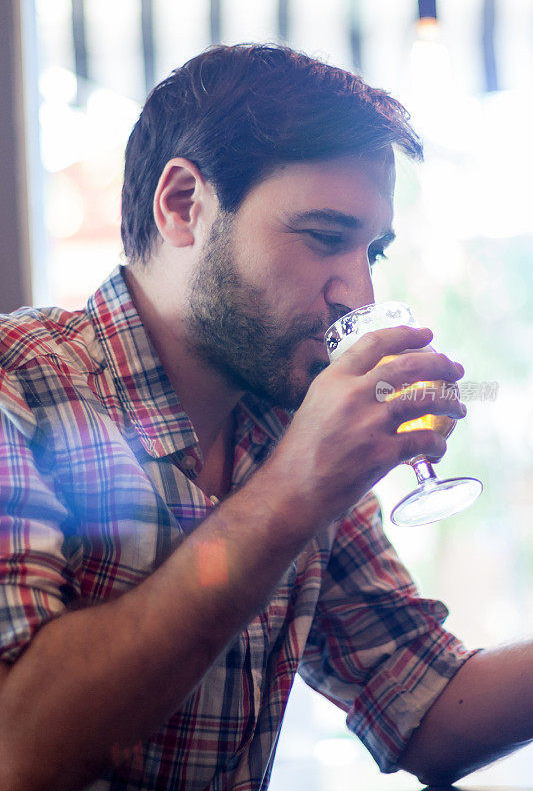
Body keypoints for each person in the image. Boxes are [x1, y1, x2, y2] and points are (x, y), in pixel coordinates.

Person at [0, 44, 529, 791]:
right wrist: (296, 490)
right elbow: (18, 752)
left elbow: (423, 708)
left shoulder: (282, 423)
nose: (357, 292)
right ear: (182, 204)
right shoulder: (18, 387)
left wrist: (305, 476)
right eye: (324, 238)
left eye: (371, 249)